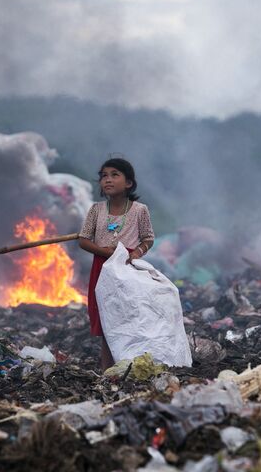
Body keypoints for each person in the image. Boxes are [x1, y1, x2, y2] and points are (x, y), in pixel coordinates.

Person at [78, 158, 154, 370]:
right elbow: (83, 240)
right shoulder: (96, 210)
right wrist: (104, 252)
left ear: (129, 183)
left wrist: (137, 253)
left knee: (127, 314)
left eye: (114, 175)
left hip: (127, 268)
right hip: (102, 268)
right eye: (104, 176)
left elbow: (148, 238)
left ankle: (128, 365)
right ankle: (107, 369)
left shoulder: (140, 210)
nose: (107, 180)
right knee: (106, 317)